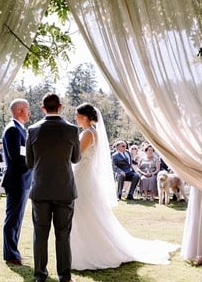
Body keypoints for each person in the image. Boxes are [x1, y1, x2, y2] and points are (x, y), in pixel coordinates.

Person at [70, 103, 179, 270]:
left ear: (84, 116)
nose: (75, 118)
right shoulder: (92, 133)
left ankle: (88, 250)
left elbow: (76, 157)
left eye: (77, 115)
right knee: (87, 210)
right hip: (84, 175)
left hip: (82, 176)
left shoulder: (87, 133)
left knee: (82, 209)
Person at [26, 93, 81, 282]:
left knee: (40, 234)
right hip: (64, 189)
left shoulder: (32, 130)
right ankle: (65, 278)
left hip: (40, 189)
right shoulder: (72, 130)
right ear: (60, 106)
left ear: (43, 108)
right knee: (63, 234)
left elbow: (30, 162)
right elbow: (76, 158)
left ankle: (40, 277)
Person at [1, 98, 32, 266]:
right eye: (27, 109)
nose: (29, 113)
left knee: (17, 219)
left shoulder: (19, 129)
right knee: (13, 219)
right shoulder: (13, 130)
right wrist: (35, 160)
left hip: (23, 179)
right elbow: (16, 157)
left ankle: (14, 252)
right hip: (17, 180)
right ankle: (11, 255)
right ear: (20, 110)